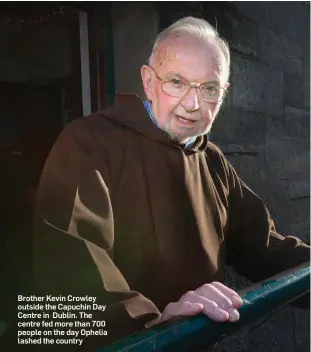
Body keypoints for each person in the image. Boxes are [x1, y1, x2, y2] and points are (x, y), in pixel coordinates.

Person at [33, 17, 310, 351]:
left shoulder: (211, 159)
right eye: (177, 82)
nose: (193, 105)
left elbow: (263, 245)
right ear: (149, 82)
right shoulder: (88, 142)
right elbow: (67, 266)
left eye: (209, 88)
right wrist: (155, 325)